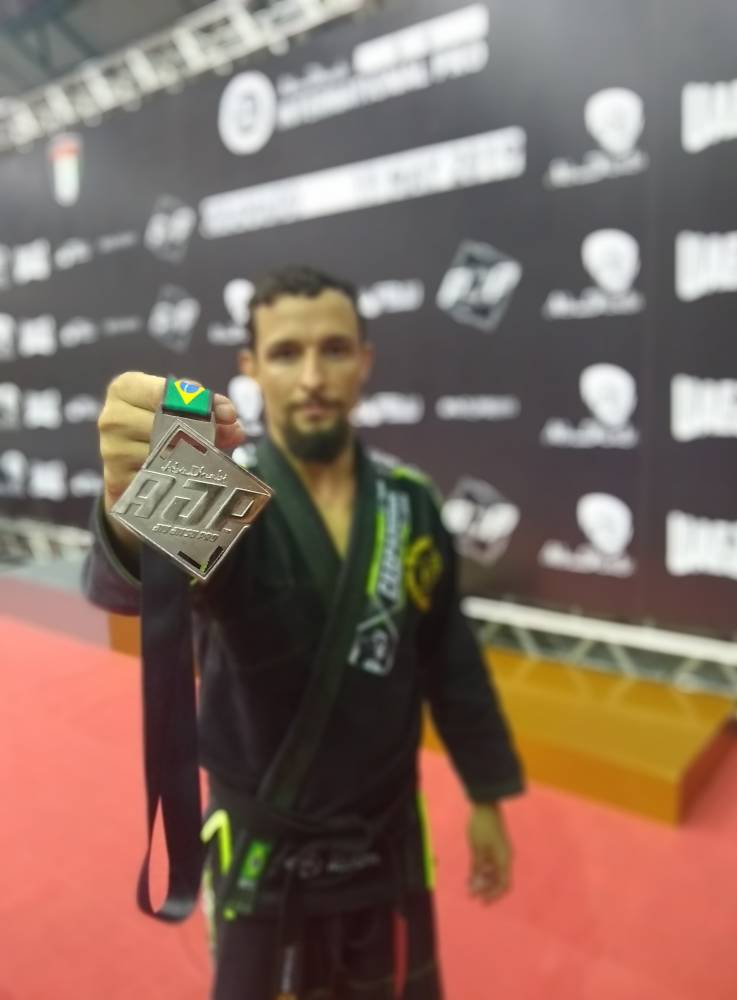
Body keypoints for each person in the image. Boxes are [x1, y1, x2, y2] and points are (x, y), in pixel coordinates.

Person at [83, 266, 524, 1000]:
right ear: (251, 367)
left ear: (365, 360)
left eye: (335, 349)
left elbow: (450, 659)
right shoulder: (224, 492)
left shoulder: (411, 501)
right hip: (266, 856)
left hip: (386, 844)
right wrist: (130, 509)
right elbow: (125, 590)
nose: (313, 377)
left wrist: (487, 795)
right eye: (286, 353)